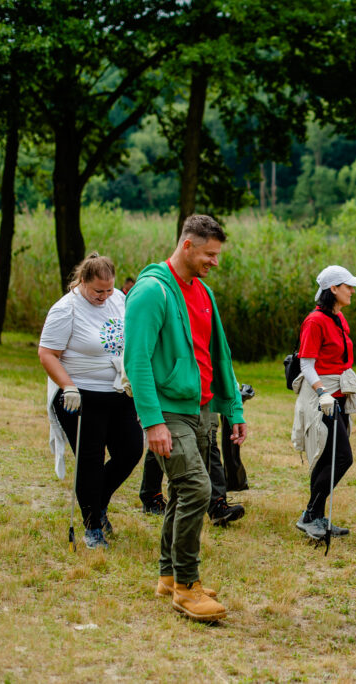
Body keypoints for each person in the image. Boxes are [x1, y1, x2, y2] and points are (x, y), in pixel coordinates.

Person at [124, 214, 247, 623]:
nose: (215, 262)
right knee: (197, 488)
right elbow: (136, 360)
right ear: (188, 245)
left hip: (202, 409)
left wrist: (232, 410)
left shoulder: (204, 293)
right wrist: (152, 421)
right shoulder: (151, 291)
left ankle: (166, 575)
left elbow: (220, 354)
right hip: (169, 410)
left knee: (181, 491)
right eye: (210, 254)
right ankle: (187, 588)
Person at [38, 252, 143, 549]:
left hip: (118, 392)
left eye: (109, 289)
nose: (105, 296)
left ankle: (98, 503)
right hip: (80, 397)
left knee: (131, 450)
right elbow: (47, 353)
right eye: (99, 290)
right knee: (90, 461)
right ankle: (91, 526)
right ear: (83, 282)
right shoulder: (66, 310)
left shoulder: (118, 300)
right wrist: (67, 386)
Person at [291, 265, 356, 539]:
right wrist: (323, 392)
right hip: (322, 398)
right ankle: (310, 514)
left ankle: (317, 516)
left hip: (339, 396)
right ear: (333, 289)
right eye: (348, 286)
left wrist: (351, 394)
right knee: (342, 458)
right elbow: (307, 364)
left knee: (329, 458)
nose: (352, 291)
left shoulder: (339, 318)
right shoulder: (315, 321)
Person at [138, 427, 246, 525]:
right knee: (165, 443)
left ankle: (217, 505)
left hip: (203, 408)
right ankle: (151, 497)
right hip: (170, 410)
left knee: (210, 441)